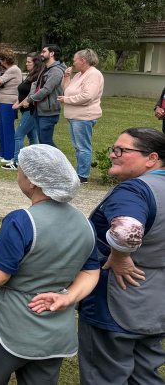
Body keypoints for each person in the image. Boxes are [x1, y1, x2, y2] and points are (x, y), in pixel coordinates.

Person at [0, 144, 99, 384]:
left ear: (33, 180)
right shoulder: (84, 223)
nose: (18, 174)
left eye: (20, 170)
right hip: (54, 330)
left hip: (8, 327)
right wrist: (67, 298)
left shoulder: (22, 220)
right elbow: (90, 271)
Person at [78, 127, 165, 384]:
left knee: (104, 375)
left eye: (122, 151)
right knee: (145, 374)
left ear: (151, 158)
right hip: (156, 301)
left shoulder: (135, 190)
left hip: (117, 299)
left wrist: (119, 256)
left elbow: (127, 231)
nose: (114, 155)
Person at [59, 49, 104, 184]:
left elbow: (87, 97)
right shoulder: (80, 74)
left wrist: (66, 100)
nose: (73, 63)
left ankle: (82, 175)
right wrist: (66, 77)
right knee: (78, 146)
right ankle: (79, 172)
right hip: (74, 116)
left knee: (83, 146)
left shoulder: (93, 75)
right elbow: (67, 90)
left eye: (75, 60)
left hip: (84, 116)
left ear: (83, 60)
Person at [20, 44, 66, 148]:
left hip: (49, 112)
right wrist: (31, 98)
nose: (41, 54)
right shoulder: (46, 69)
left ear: (52, 53)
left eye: (44, 51)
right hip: (39, 110)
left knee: (46, 141)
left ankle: (59, 162)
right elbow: (36, 85)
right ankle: (48, 163)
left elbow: (46, 90)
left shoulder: (56, 71)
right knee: (42, 140)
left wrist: (30, 99)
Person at [4, 53, 44, 171]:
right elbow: (22, 93)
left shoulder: (37, 77)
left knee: (18, 135)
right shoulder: (30, 76)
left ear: (36, 63)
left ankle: (17, 162)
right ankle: (34, 162)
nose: (26, 64)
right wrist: (17, 102)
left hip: (30, 110)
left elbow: (31, 94)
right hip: (25, 109)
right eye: (26, 62)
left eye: (29, 62)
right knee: (32, 136)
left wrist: (19, 105)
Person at [0, 49, 22, 164]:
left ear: (4, 60)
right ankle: (2, 153)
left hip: (9, 102)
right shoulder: (10, 70)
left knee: (8, 129)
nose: (0, 62)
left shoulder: (13, 70)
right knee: (2, 128)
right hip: (4, 102)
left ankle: (9, 155)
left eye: (1, 60)